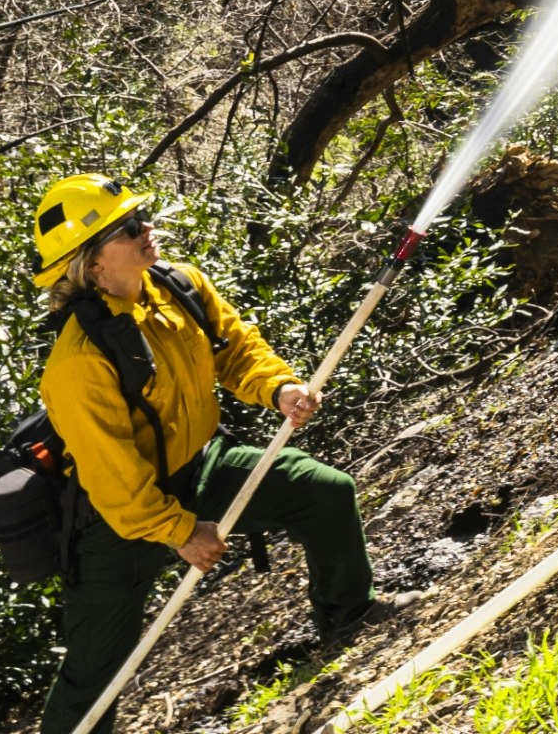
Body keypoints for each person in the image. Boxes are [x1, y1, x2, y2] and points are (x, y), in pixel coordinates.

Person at [26, 173, 383, 733]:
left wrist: (279, 388)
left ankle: (348, 616)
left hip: (200, 461)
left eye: (140, 215)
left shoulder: (177, 286)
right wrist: (181, 530)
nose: (146, 228)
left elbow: (236, 348)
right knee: (96, 669)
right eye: (126, 227)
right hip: (118, 522)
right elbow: (115, 479)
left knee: (324, 493)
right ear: (92, 264)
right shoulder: (77, 363)